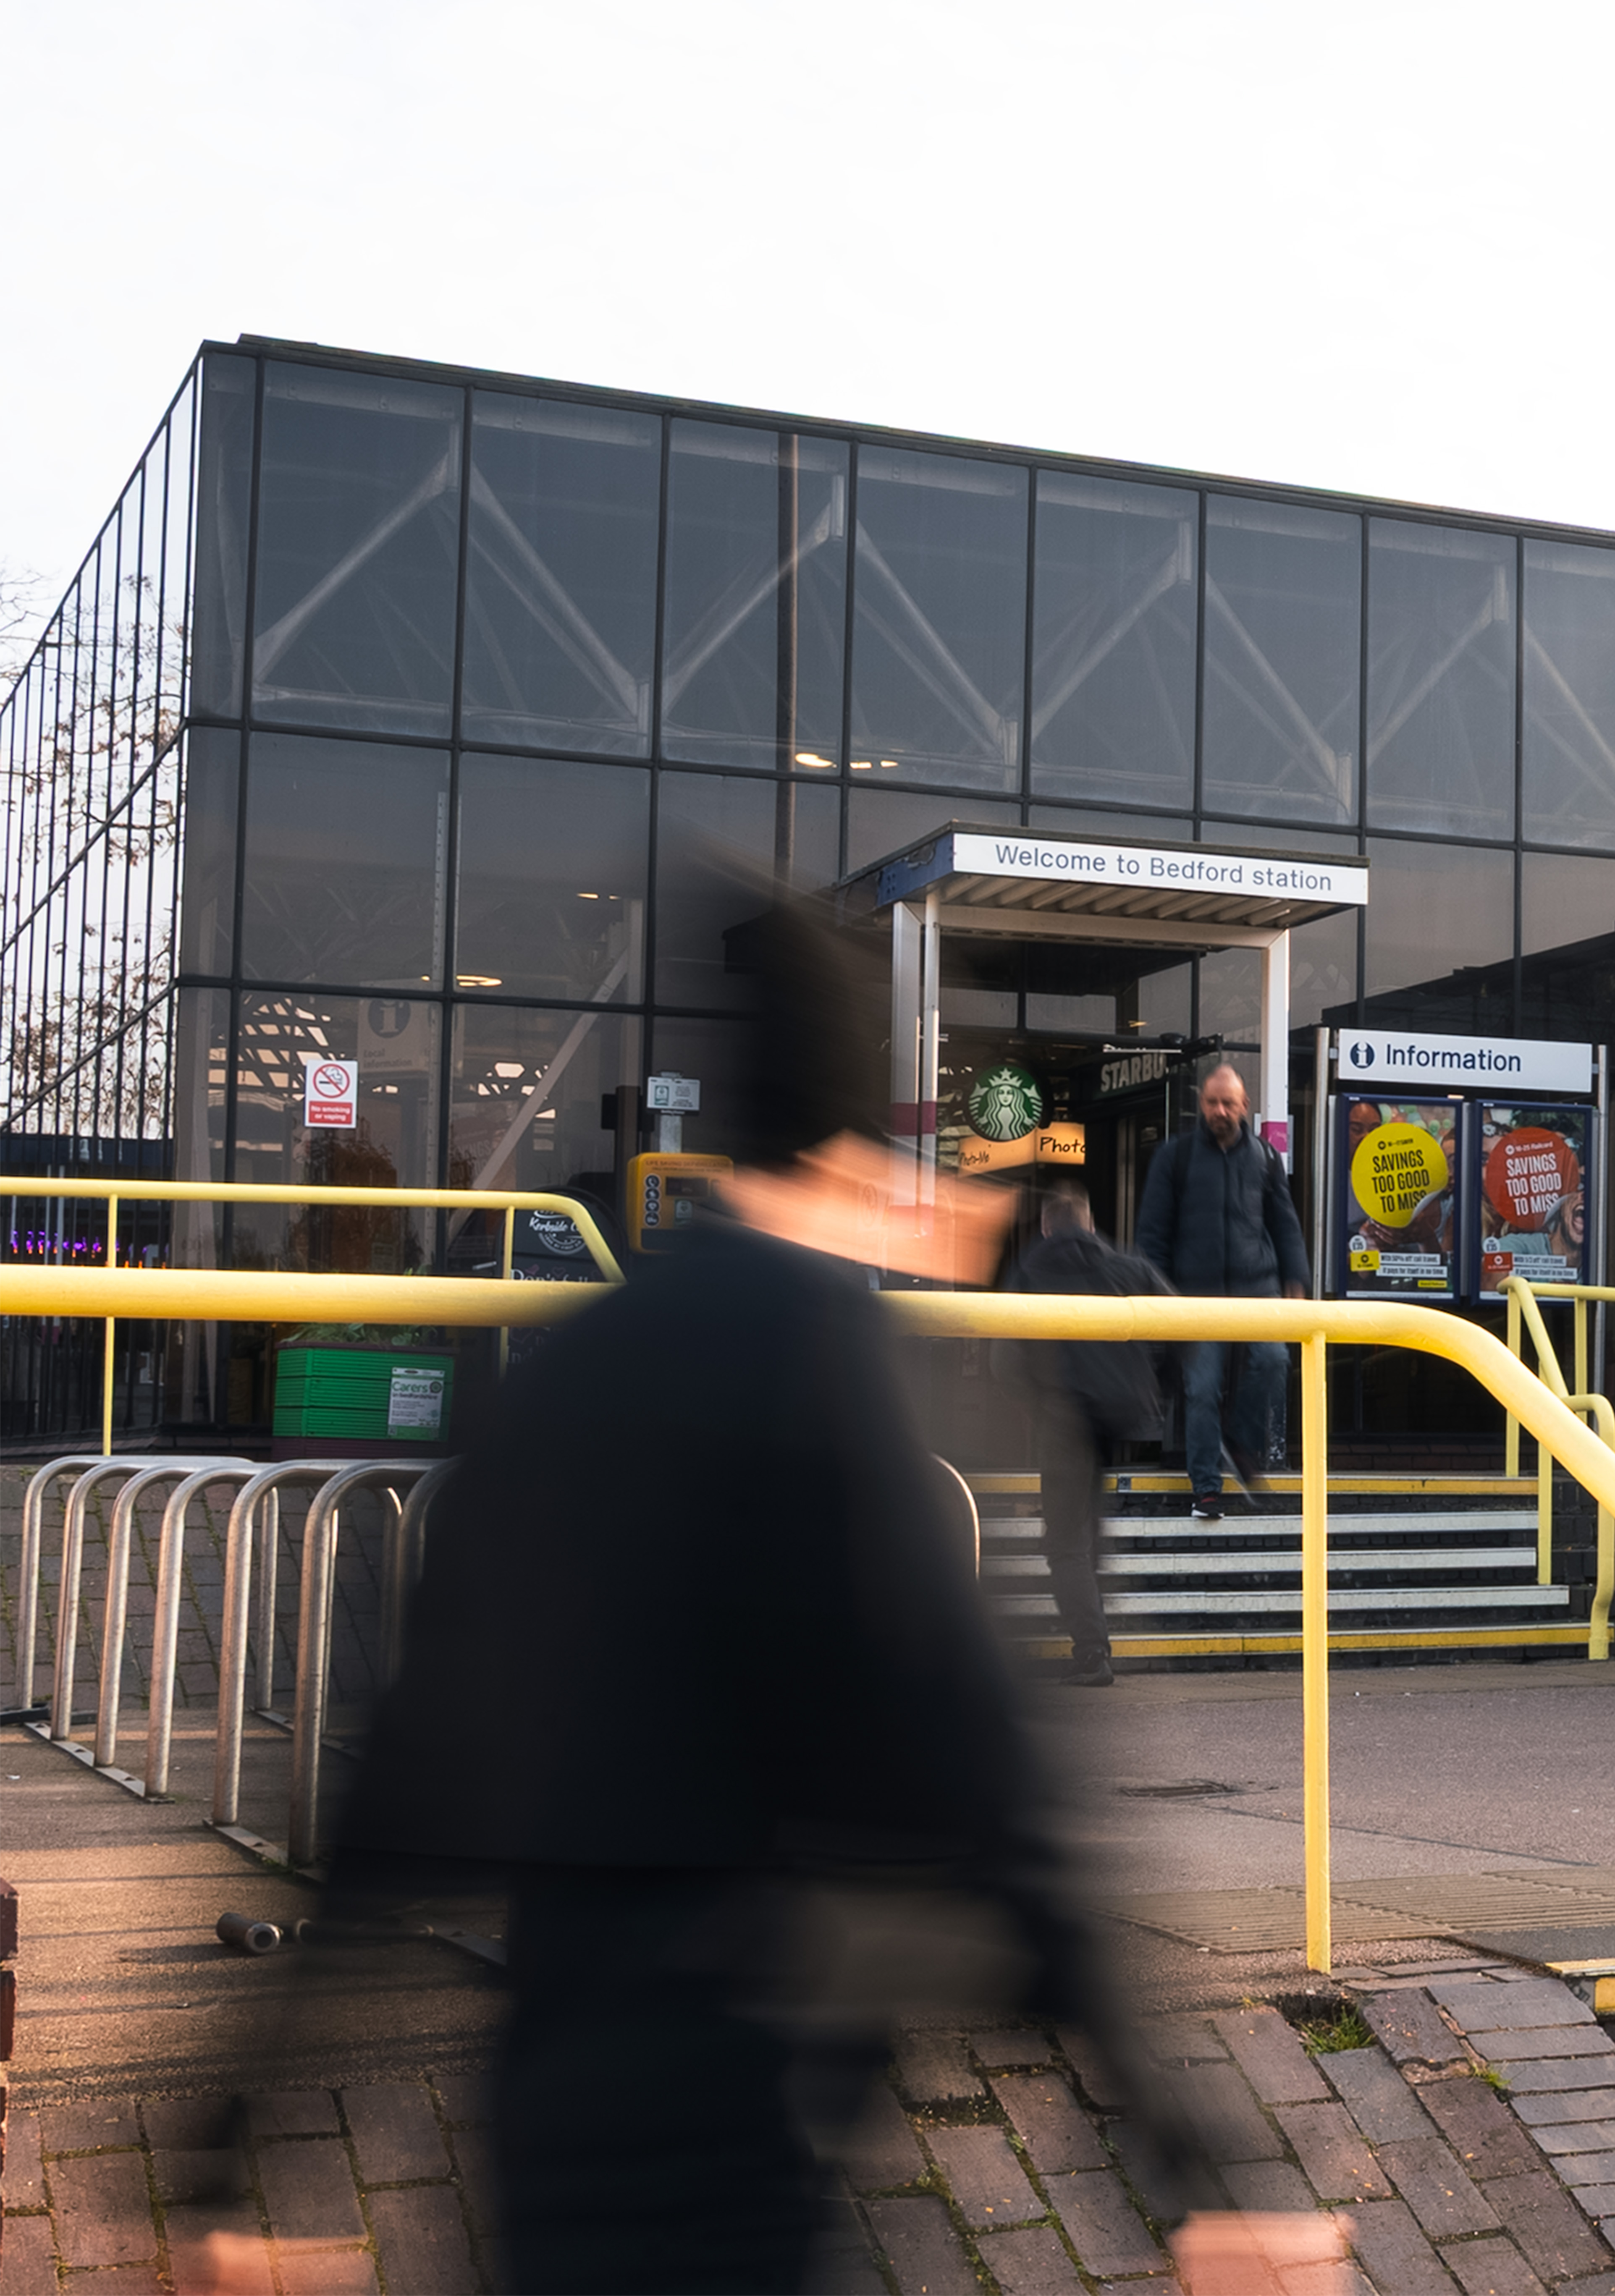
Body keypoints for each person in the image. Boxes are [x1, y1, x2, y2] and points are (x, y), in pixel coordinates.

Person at [270, 896, 1335, 2295]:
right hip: (734, 2121)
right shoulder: (827, 1373)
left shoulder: (579, 1363)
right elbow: (1002, 1799)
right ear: (853, 1144)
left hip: (548, 2121)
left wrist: (245, 2140)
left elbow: (401, 1775)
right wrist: (1196, 2172)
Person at [1003, 1174, 1174, 1688]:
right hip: (1113, 1415)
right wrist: (1147, 1382)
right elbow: (1177, 1318)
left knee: (1064, 1542)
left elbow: (1003, 1356)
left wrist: (1037, 1398)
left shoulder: (1031, 1266)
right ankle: (1095, 1621)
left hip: (1065, 1415)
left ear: (1046, 1226)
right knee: (1086, 1523)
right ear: (1091, 1223)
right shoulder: (1122, 1264)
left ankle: (1092, 1652)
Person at [1136, 1060, 1311, 1522]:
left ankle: (1239, 1441)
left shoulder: (1265, 1158)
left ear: (1244, 1106)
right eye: (1212, 1102)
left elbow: (1285, 1225)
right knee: (1202, 1389)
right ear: (1201, 1104)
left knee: (1275, 1361)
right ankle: (1207, 1490)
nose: (1219, 1110)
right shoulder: (1174, 1158)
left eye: (1228, 1103)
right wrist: (1158, 1292)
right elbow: (1152, 1233)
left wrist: (1297, 1277)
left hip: (1258, 1288)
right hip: (1196, 1296)